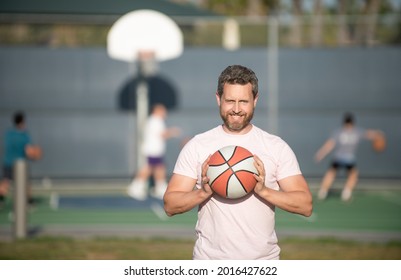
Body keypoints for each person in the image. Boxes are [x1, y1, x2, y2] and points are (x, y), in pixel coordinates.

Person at [163, 65, 313, 260]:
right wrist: (204, 192)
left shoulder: (275, 146)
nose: (236, 109)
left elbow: (305, 205)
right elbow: (170, 204)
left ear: (255, 100)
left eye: (243, 101)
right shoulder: (198, 145)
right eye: (230, 101)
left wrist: (263, 190)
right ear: (218, 98)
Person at [315, 112, 385, 201]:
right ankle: (346, 193)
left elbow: (330, 144)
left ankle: (323, 192)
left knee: (331, 173)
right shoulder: (356, 131)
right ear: (353, 122)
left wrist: (320, 154)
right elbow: (369, 134)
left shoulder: (339, 132)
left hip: (338, 157)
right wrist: (378, 133)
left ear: (344, 122)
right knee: (353, 175)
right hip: (349, 158)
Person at [127, 104, 181, 200]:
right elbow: (163, 134)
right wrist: (173, 132)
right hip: (152, 150)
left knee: (159, 168)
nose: (165, 112)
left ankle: (159, 188)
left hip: (155, 150)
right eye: (163, 110)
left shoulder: (155, 120)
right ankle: (136, 188)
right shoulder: (155, 121)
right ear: (157, 111)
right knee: (149, 169)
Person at [0, 111, 41, 208]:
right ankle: (29, 201)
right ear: (22, 122)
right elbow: (29, 151)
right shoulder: (24, 136)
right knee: (25, 183)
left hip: (7, 162)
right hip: (20, 164)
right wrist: (35, 156)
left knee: (5, 182)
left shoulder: (9, 134)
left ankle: (1, 200)